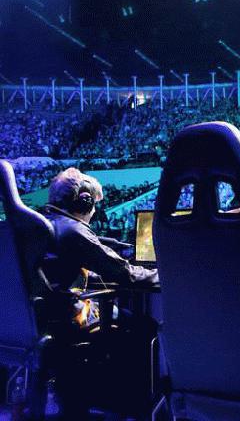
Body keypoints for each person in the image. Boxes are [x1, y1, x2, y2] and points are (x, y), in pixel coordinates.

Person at [40, 168, 159, 419]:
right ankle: (134, 406)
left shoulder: (42, 225)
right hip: (70, 318)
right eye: (93, 204)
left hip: (43, 319)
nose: (94, 211)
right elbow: (124, 274)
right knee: (143, 326)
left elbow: (60, 272)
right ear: (83, 202)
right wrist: (166, 277)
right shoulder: (74, 231)